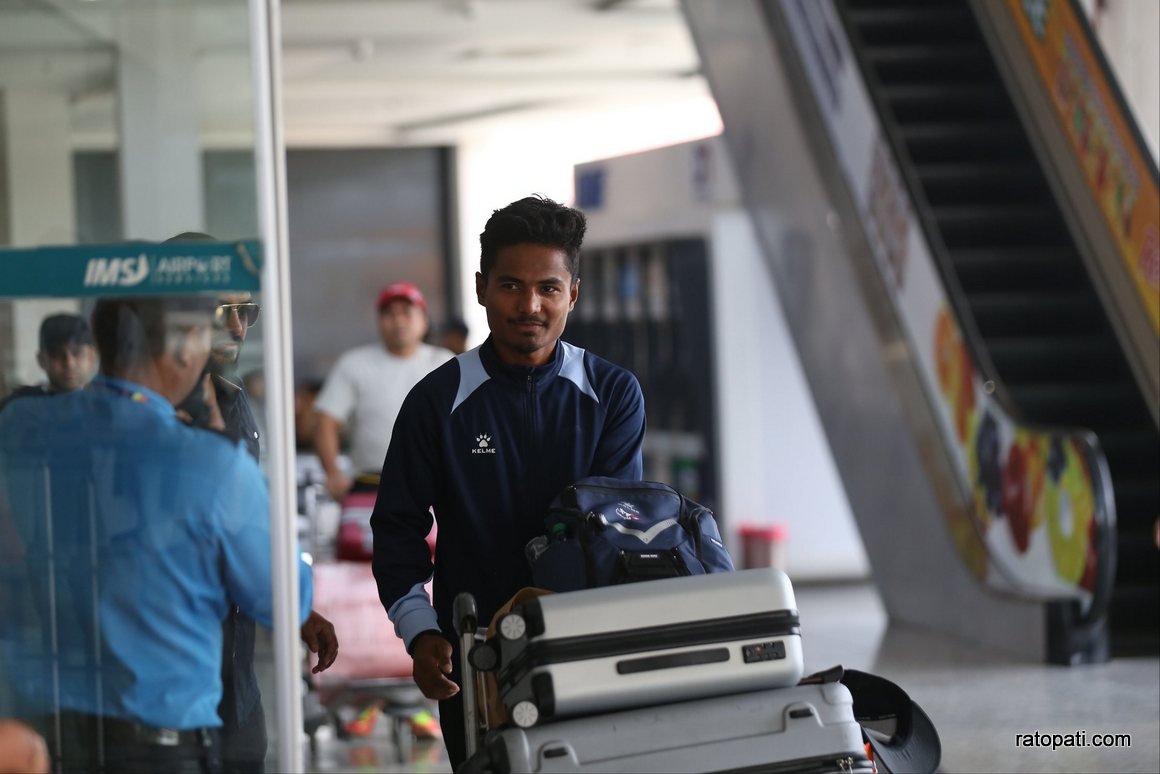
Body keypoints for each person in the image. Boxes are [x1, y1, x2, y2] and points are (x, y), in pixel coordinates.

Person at [370, 195, 646, 767]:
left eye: (548, 288)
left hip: (589, 656)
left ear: (574, 293)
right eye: (510, 285)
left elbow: (616, 532)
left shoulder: (613, 395)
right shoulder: (436, 401)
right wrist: (422, 633)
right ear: (480, 288)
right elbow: (397, 529)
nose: (530, 305)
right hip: (474, 664)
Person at [0, 296, 319, 773]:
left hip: (41, 737)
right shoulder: (209, 462)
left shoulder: (23, 427)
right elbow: (282, 597)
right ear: (184, 346)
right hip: (158, 744)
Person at [166, 234, 338, 773]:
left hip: (232, 677)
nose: (239, 327)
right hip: (165, 688)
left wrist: (293, 603)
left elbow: (244, 528)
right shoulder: (141, 410)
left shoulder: (231, 399)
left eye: (248, 311)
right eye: (224, 311)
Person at [313, 282, 453, 501]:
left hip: (437, 486)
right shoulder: (354, 363)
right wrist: (333, 474)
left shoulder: (444, 363)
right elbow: (326, 421)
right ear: (379, 321)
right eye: (389, 314)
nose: (398, 321)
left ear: (424, 320)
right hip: (370, 486)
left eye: (406, 313)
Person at [0, 313, 96, 412]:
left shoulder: (103, 406)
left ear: (91, 356)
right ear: (41, 360)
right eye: (57, 354)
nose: (69, 363)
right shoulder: (20, 407)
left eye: (77, 353)